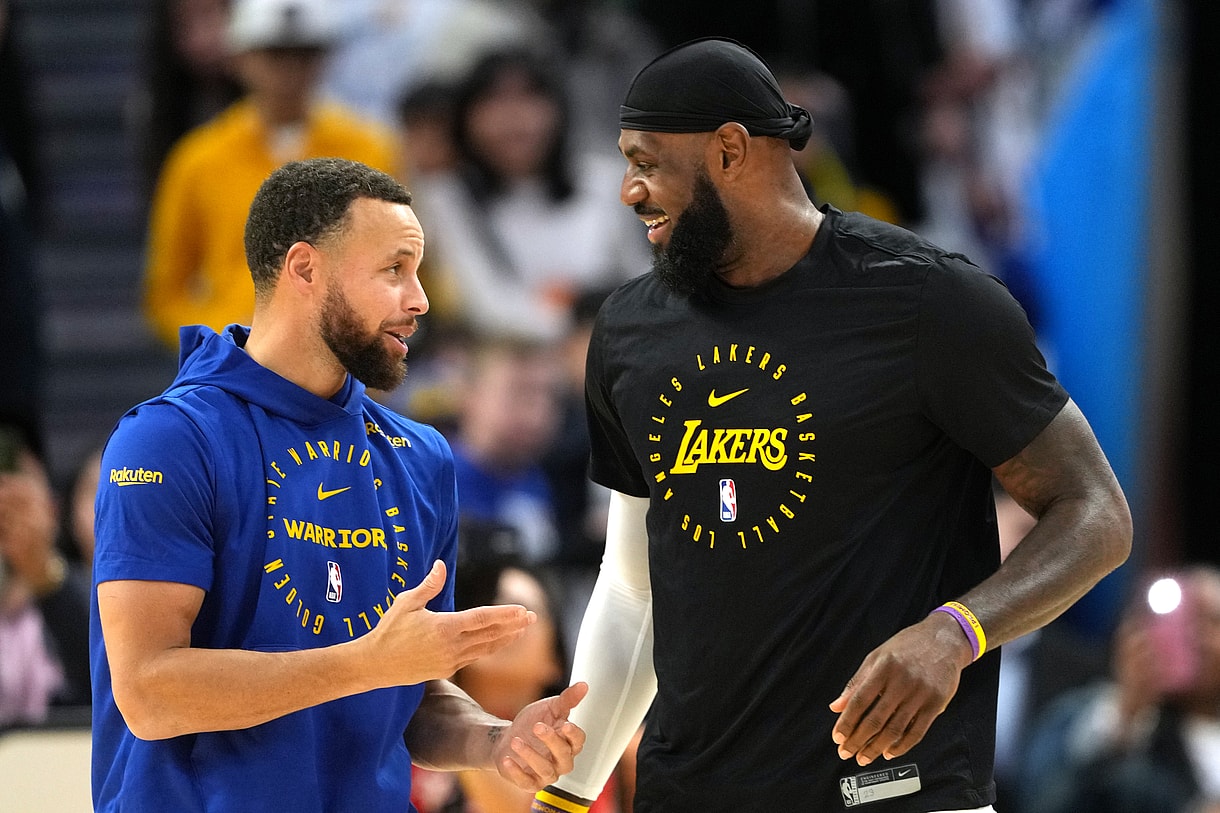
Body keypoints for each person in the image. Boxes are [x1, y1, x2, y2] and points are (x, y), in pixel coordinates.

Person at [530, 37, 1132, 813]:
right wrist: (567, 794)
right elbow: (633, 588)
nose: (628, 190)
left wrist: (958, 630)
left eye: (645, 161)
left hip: (901, 791)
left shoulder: (928, 301)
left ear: (729, 150)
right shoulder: (628, 330)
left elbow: (1096, 513)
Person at [91, 157, 586, 812]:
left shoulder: (421, 455)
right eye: (393, 270)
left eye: (418, 270)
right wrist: (365, 663)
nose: (420, 299)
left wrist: (492, 739)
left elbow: (413, 692)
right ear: (305, 270)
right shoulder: (169, 440)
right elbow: (150, 692)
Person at [141, 0, 399, 349]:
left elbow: (401, 264)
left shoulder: (369, 151)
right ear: (239, 58)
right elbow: (166, 292)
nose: (290, 69)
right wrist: (221, 339)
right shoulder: (198, 160)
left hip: (345, 363)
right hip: (235, 365)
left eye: (304, 54)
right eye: (275, 54)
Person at [1018, 565, 1220, 813]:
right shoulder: (1091, 718)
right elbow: (1045, 802)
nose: (1194, 637)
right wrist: (1125, 715)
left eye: (1211, 621)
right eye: (1182, 621)